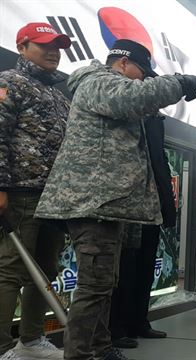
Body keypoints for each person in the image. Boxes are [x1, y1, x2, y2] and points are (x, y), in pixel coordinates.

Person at [34, 39, 196, 360]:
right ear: (124, 63)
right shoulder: (98, 81)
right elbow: (133, 98)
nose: (143, 79)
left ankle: (100, 348)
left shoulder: (107, 85)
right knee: (94, 285)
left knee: (104, 284)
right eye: (143, 72)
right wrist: (180, 83)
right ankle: (81, 354)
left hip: (108, 204)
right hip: (94, 203)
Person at [0, 22, 71, 360]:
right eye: (44, 45)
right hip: (20, 192)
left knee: (45, 269)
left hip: (54, 198)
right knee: (10, 269)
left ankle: (30, 340)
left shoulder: (59, 95)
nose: (53, 51)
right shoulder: (9, 82)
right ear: (23, 47)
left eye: (57, 46)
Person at [109, 114, 177, 349]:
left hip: (151, 205)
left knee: (146, 267)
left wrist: (168, 207)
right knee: (124, 268)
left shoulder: (155, 121)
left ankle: (139, 321)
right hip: (126, 203)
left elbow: (160, 164)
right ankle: (115, 327)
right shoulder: (122, 110)